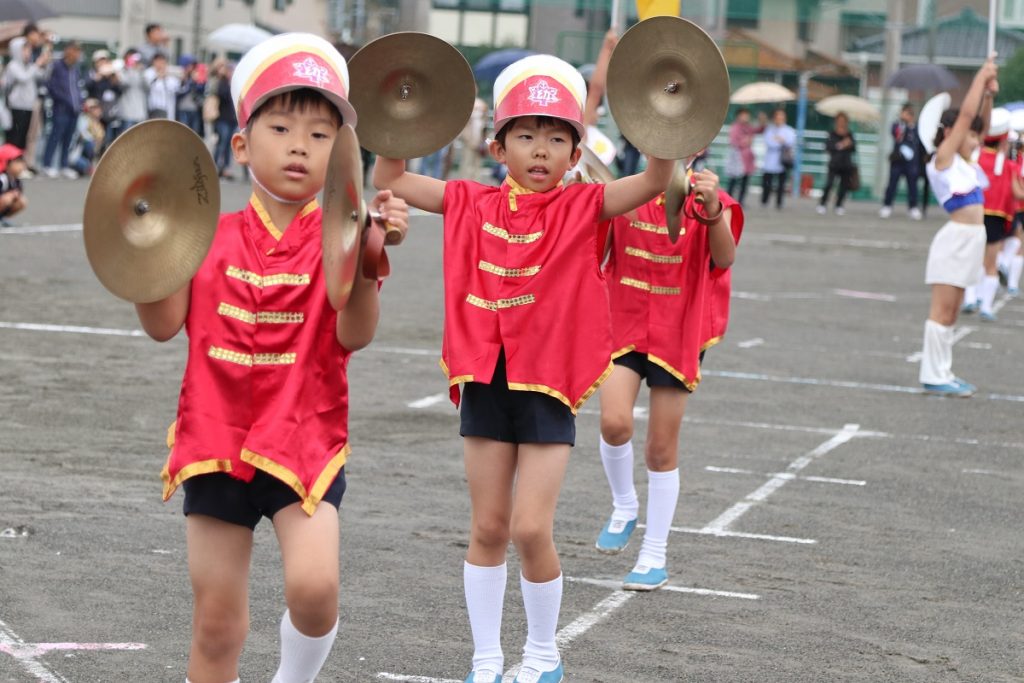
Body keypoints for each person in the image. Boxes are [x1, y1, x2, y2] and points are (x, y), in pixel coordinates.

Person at [374, 54, 673, 683]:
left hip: (548, 389)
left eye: (557, 138)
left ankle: (542, 653)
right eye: (527, 136)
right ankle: (486, 658)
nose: (541, 150)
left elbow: (650, 182)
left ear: (575, 153)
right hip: (485, 378)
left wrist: (664, 123)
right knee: (487, 526)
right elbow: (394, 180)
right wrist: (396, 113)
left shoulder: (583, 207)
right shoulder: (470, 201)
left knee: (531, 528)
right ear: (498, 145)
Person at [133, 33, 408, 683]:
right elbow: (162, 323)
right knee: (216, 623)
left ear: (342, 152)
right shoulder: (206, 236)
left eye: (320, 134)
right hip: (214, 438)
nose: (298, 145)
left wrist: (368, 257)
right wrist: (143, 250)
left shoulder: (344, 235)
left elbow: (356, 335)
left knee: (315, 591)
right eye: (280, 126)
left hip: (304, 437)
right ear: (239, 144)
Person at [596, 168, 742, 590]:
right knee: (614, 422)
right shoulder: (624, 190)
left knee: (661, 449)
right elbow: (595, 249)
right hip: (623, 321)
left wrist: (713, 210)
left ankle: (653, 554)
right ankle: (624, 505)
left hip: (678, 330)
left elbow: (725, 258)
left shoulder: (712, 197)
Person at [918, 56, 998, 397]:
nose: (976, 140)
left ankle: (943, 371)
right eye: (969, 136)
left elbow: (979, 123)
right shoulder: (943, 160)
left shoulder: (967, 163)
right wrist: (979, 78)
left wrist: (989, 95)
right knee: (943, 309)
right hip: (954, 241)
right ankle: (933, 374)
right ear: (950, 133)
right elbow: (967, 117)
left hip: (971, 241)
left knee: (953, 312)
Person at [963, 108, 1024, 321]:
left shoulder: (974, 158)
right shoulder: (1008, 165)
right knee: (991, 264)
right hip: (997, 218)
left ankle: (970, 298)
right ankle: (986, 306)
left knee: (974, 260)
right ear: (1003, 142)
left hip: (974, 214)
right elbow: (1018, 192)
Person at [42, 41, 84, 179]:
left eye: (78, 51)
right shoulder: (56, 66)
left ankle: (63, 166)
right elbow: (50, 86)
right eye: (75, 50)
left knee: (68, 139)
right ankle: (47, 165)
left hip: (74, 110)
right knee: (55, 137)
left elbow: (77, 89)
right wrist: (64, 100)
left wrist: (79, 103)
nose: (77, 54)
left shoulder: (75, 69)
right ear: (67, 50)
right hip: (60, 109)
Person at [4, 36, 50, 158]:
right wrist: (37, 64)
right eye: (25, 49)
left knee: (24, 137)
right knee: (15, 137)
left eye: (29, 50)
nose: (28, 52)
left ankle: (19, 164)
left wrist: (44, 64)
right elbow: (23, 78)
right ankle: (9, 163)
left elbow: (42, 76)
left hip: (28, 106)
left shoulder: (29, 66)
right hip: (16, 107)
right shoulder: (12, 65)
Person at [881, 103, 923, 220]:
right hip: (897, 160)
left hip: (911, 161)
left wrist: (910, 125)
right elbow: (896, 136)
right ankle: (887, 205)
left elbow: (919, 140)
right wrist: (903, 125)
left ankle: (913, 207)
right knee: (892, 184)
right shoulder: (897, 125)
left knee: (912, 185)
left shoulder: (916, 127)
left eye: (909, 113)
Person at [817, 112, 857, 216]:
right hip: (834, 163)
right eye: (839, 121)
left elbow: (854, 149)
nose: (841, 123)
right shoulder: (832, 134)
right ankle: (822, 204)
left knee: (843, 186)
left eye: (844, 121)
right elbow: (828, 147)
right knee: (829, 184)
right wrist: (840, 145)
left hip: (846, 164)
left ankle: (839, 205)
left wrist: (849, 143)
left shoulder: (850, 134)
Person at [85, 50, 123, 151]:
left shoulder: (110, 76)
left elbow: (119, 91)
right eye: (100, 61)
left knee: (108, 142)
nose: (102, 63)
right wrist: (99, 75)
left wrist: (114, 77)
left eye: (105, 60)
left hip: (109, 114)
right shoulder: (92, 74)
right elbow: (88, 87)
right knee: (94, 141)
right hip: (95, 115)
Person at [725, 107, 763, 206]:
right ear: (738, 116)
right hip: (737, 158)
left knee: (745, 181)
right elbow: (733, 141)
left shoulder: (749, 127)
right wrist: (745, 141)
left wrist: (762, 120)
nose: (745, 117)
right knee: (733, 180)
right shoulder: (735, 127)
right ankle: (728, 200)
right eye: (743, 115)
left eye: (746, 115)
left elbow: (759, 130)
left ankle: (741, 201)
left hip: (747, 159)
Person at [760, 108, 796, 209]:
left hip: (782, 160)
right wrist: (780, 141)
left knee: (781, 183)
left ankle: (779, 203)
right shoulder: (769, 129)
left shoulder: (789, 130)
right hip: (770, 159)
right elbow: (769, 142)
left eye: (781, 116)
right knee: (767, 182)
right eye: (777, 116)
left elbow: (790, 142)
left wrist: (779, 140)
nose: (779, 118)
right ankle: (764, 201)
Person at [115, 49, 148, 139]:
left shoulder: (141, 72)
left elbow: (147, 87)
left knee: (139, 141)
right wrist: (130, 69)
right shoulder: (122, 72)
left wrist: (141, 72)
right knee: (126, 141)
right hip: (127, 114)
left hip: (140, 114)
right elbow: (125, 83)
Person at [214, 61, 238, 179]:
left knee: (229, 144)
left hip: (233, 118)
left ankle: (227, 168)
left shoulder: (236, 84)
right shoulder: (222, 83)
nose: (231, 73)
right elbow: (221, 95)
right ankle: (215, 165)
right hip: (222, 117)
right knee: (222, 142)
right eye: (229, 71)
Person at [69, 98, 105, 176]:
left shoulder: (98, 122)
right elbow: (83, 136)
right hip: (75, 154)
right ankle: (87, 167)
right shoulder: (83, 119)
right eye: (94, 108)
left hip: (86, 155)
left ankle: (90, 167)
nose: (98, 110)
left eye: (97, 107)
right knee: (90, 145)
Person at [0, 144, 29, 225]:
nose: (22, 165)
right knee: (6, 199)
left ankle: (1, 218)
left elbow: (19, 192)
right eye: (17, 162)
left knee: (21, 201)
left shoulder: (16, 179)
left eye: (21, 162)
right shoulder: (2, 178)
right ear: (6, 163)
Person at [175, 55, 204, 135]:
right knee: (183, 133)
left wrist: (197, 81)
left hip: (194, 109)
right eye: (190, 65)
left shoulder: (195, 77)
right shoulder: (181, 77)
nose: (191, 67)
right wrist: (190, 82)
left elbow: (201, 91)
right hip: (183, 109)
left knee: (194, 133)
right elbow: (180, 92)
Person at [146, 52, 179, 120]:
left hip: (168, 111)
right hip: (153, 110)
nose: (160, 64)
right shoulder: (148, 73)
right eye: (158, 62)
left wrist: (165, 77)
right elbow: (147, 86)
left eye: (163, 62)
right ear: (153, 62)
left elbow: (176, 88)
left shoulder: (170, 75)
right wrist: (157, 77)